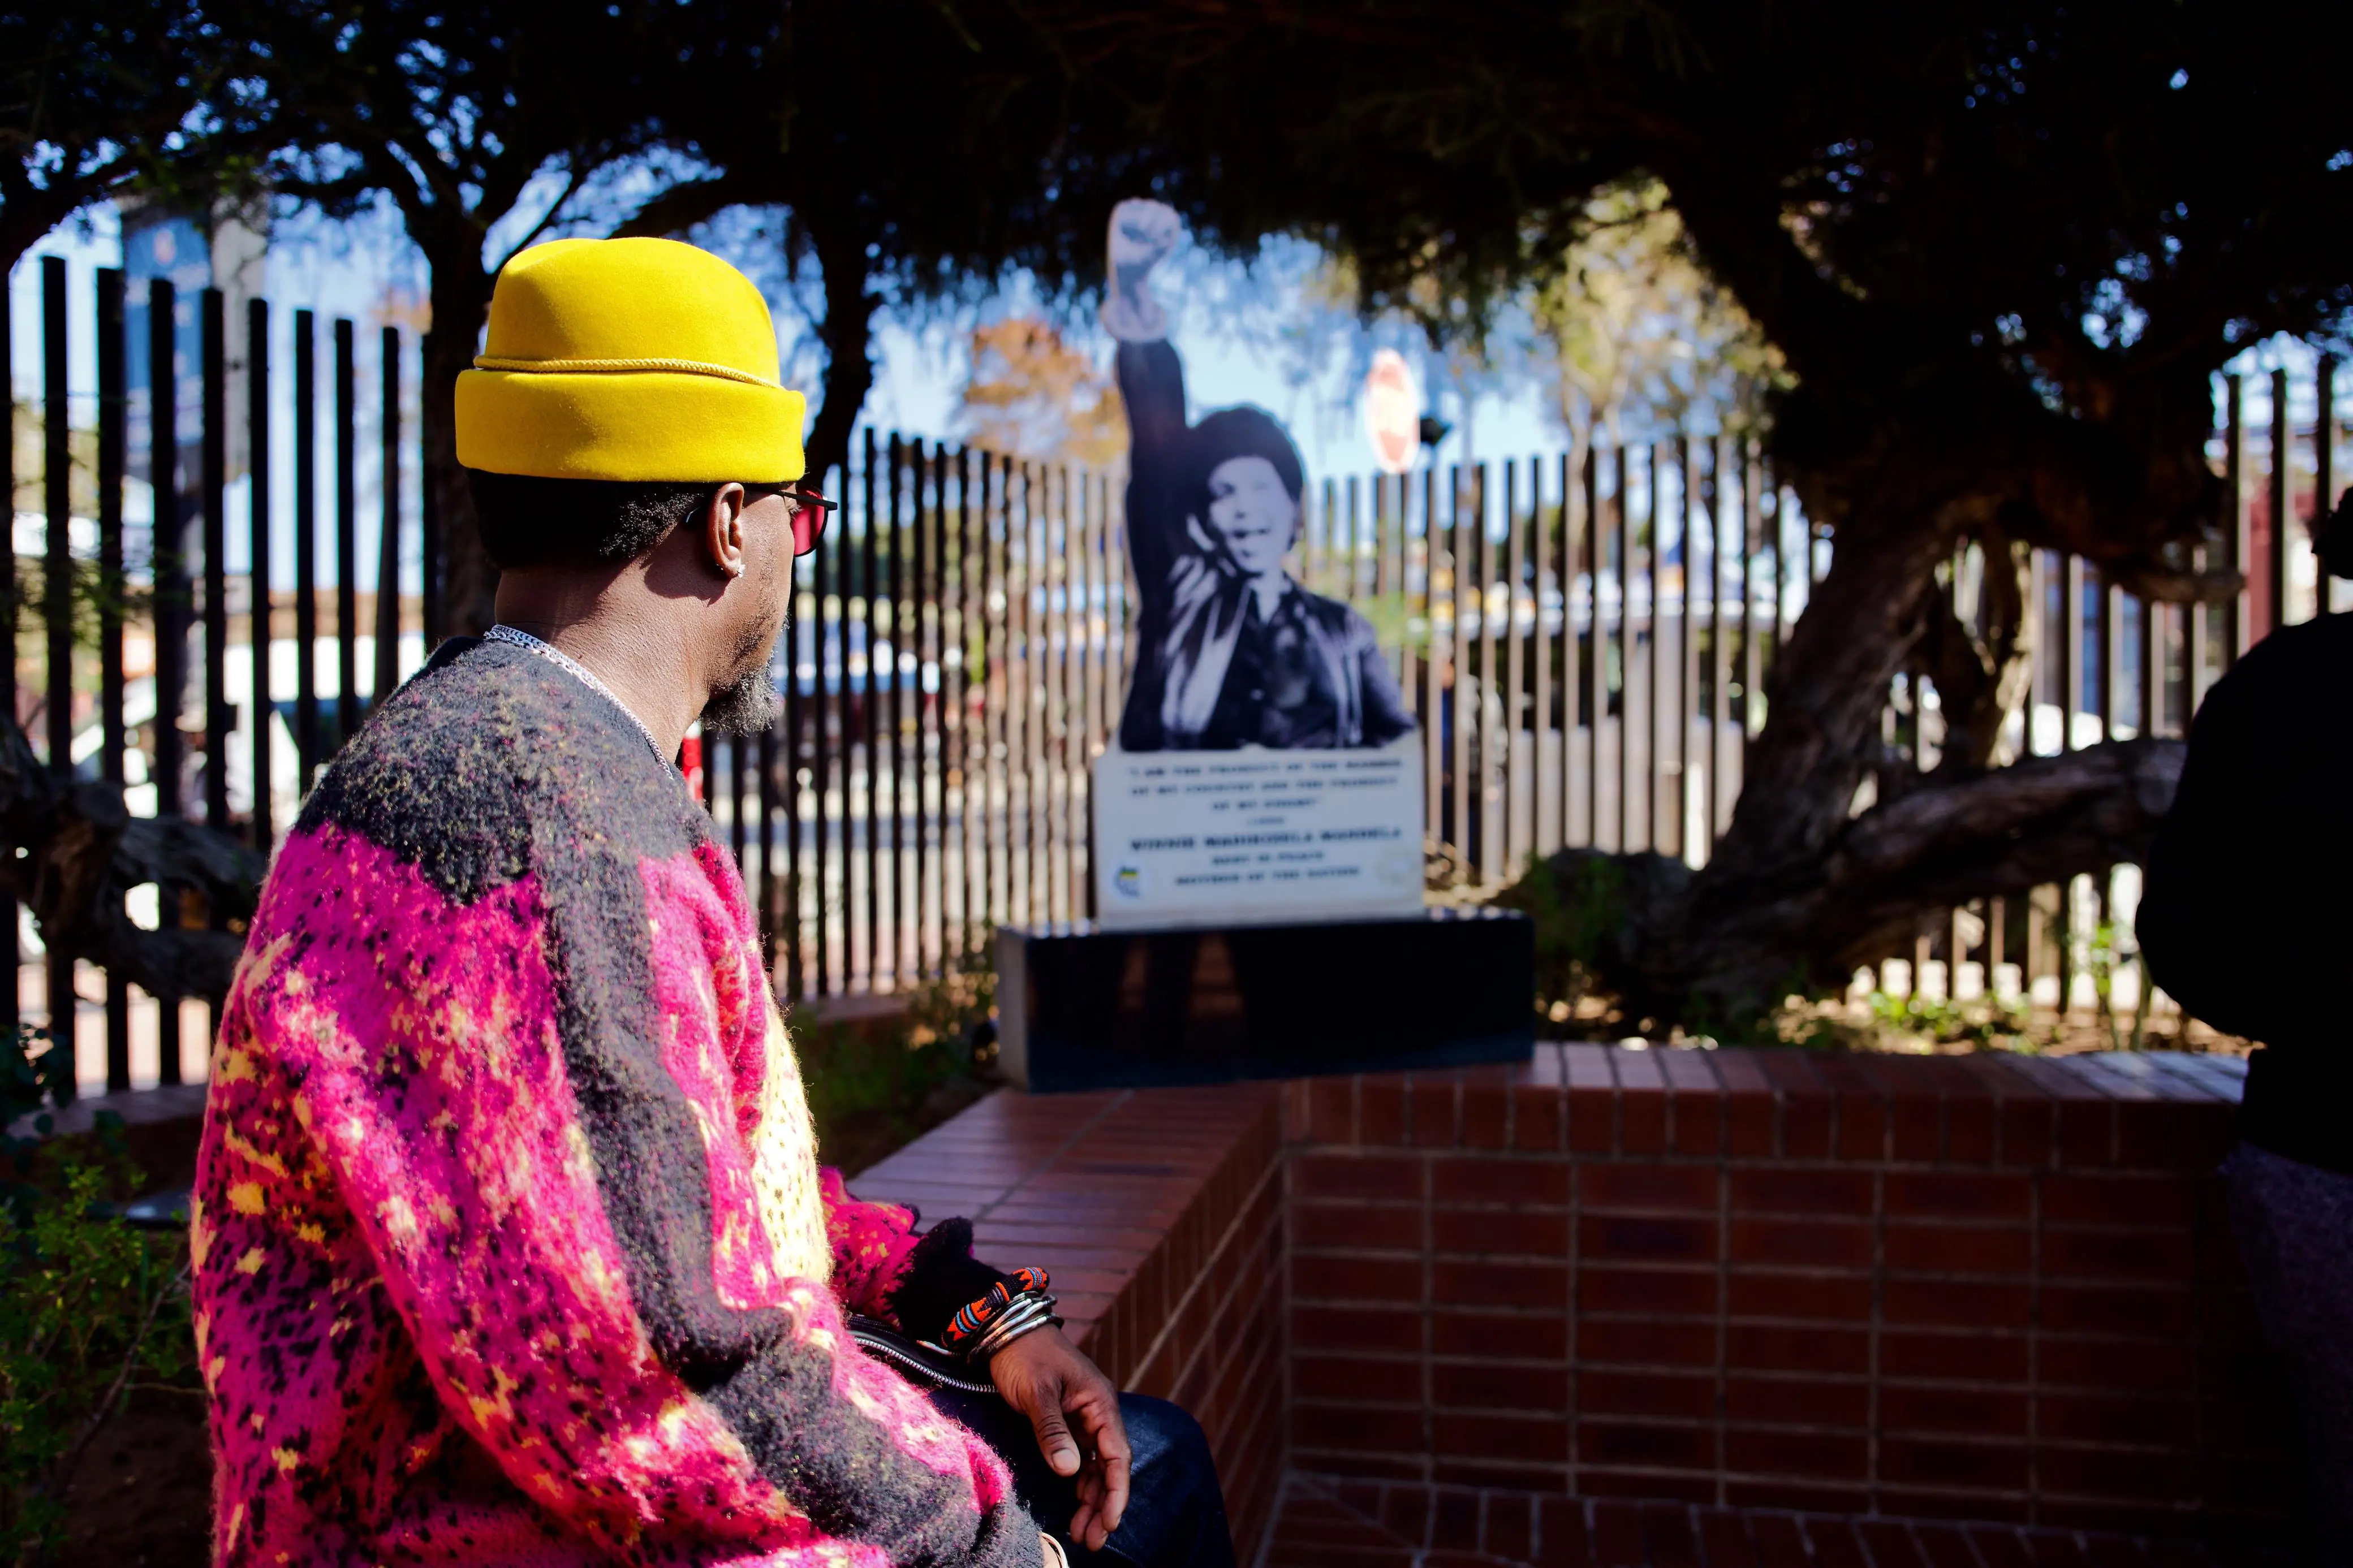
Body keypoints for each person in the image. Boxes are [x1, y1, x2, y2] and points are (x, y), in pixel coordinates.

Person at [192, 237, 1232, 1568]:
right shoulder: (529, 812)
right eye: (803, 521)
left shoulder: (517, 758)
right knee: (1149, 1493)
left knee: (1158, 1456)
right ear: (731, 521)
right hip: (495, 1533)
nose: (796, 561)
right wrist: (984, 1547)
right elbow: (651, 1371)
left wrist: (979, 1312)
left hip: (559, 1501)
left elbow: (688, 1192)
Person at [2139, 495, 2353, 1568]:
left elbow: (2184, 926)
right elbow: (2184, 924)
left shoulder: (2280, 687)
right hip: (2328, 1156)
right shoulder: (2286, 691)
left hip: (2319, 1145)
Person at [1103, 199, 1416, 753]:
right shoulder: (1179, 600)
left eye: (1260, 489)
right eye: (1223, 493)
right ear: (1200, 519)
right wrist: (1134, 298)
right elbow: (1155, 454)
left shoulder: (1343, 631)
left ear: (1294, 507)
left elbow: (1392, 741)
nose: (1244, 508)